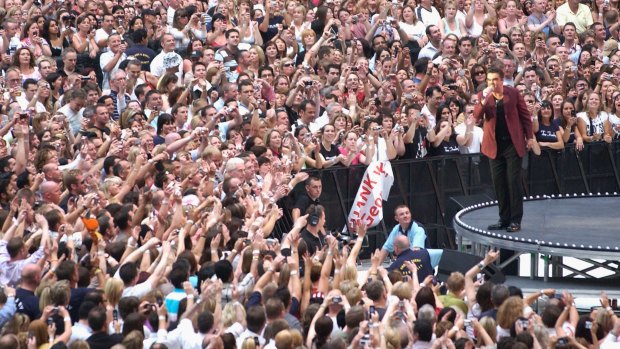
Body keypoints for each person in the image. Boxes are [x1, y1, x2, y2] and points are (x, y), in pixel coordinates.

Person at [473, 66, 534, 233]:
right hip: (494, 146)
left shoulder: (513, 93)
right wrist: (484, 98)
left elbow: (525, 116)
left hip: (512, 144)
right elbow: (477, 116)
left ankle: (515, 220)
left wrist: (529, 136)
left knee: (513, 182)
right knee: (499, 183)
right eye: (489, 79)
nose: (492, 83)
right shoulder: (483, 96)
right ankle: (503, 218)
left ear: (501, 80)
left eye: (495, 79)